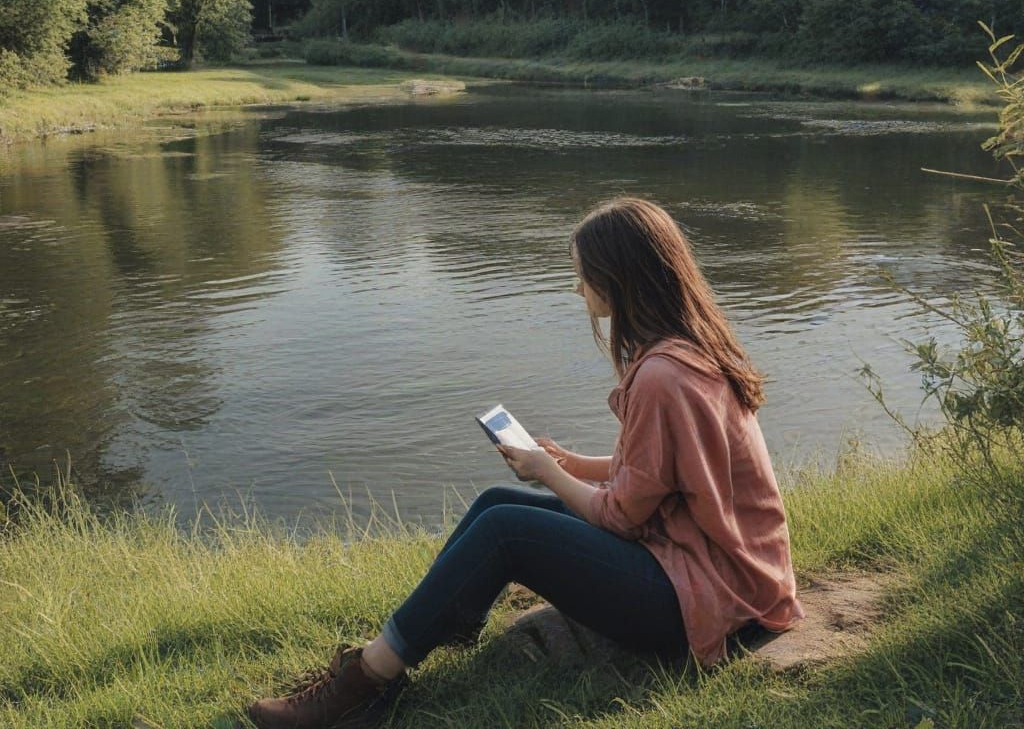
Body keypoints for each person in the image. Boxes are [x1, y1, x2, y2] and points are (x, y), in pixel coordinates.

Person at [247, 197, 803, 729]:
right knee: (498, 503)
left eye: (583, 274)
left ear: (616, 279)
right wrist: (572, 463)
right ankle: (425, 632)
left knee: (506, 530)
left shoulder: (662, 375)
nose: (577, 286)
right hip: (728, 578)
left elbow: (623, 517)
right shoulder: (691, 350)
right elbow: (670, 468)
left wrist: (547, 471)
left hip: (704, 600)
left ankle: (362, 686)